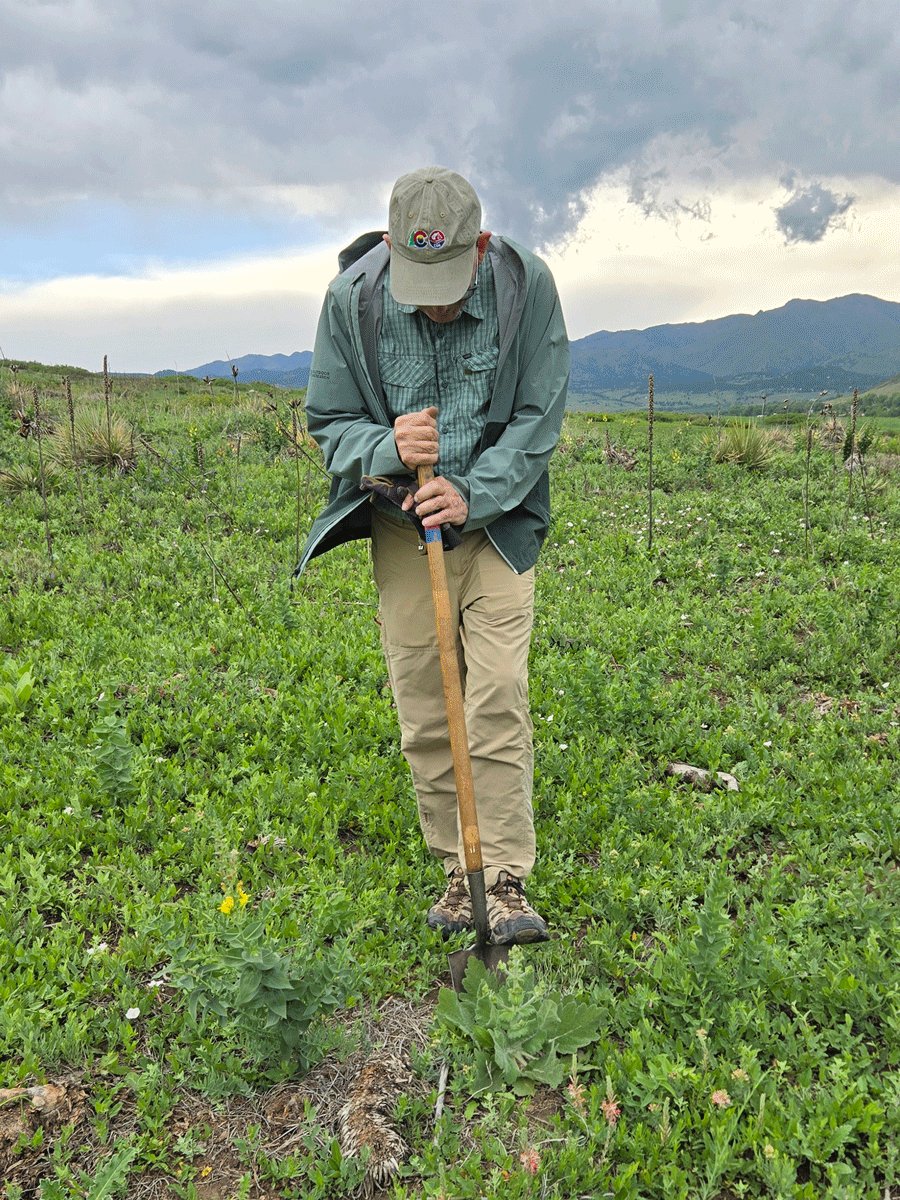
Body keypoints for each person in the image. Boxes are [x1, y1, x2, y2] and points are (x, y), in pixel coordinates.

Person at [296, 167, 569, 945]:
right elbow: (329, 421)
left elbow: (538, 418)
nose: (436, 305)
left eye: (449, 284)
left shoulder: (526, 288)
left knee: (496, 692)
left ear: (480, 247)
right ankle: (459, 869)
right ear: (390, 248)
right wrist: (386, 445)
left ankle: (503, 880)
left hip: (498, 522)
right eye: (421, 285)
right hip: (404, 524)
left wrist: (474, 493)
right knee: (423, 698)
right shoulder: (351, 300)